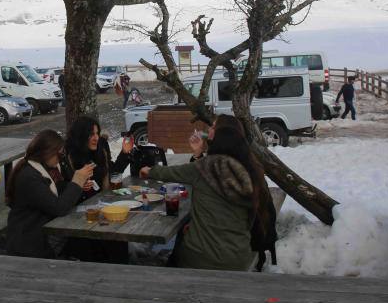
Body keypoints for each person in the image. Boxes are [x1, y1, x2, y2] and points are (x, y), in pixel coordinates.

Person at [140, 117, 273, 271]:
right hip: (239, 257)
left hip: (201, 258)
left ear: (218, 137)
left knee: (178, 249)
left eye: (213, 127)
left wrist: (149, 170)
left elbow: (172, 172)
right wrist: (198, 153)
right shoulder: (249, 170)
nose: (208, 129)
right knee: (189, 231)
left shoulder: (205, 166)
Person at [5, 130, 93, 258]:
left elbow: (55, 190)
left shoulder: (42, 168)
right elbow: (59, 208)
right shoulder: (29, 177)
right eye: (59, 154)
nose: (60, 159)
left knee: (87, 245)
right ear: (47, 153)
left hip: (41, 233)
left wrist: (76, 186)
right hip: (28, 242)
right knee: (84, 246)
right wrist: (77, 181)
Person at [61, 116, 132, 202]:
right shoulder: (68, 156)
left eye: (97, 133)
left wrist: (124, 153)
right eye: (91, 134)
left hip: (101, 203)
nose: (96, 138)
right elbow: (61, 189)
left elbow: (113, 172)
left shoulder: (101, 149)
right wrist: (77, 185)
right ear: (81, 136)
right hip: (77, 208)